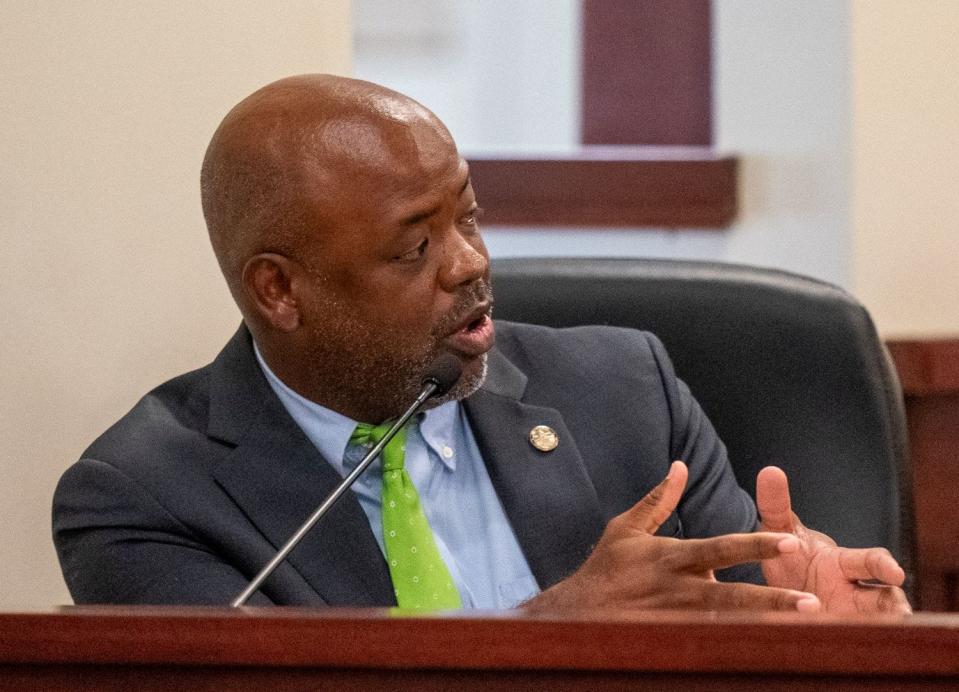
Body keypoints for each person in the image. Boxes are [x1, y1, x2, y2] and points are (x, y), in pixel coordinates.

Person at [53, 74, 909, 614]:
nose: (471, 262)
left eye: (467, 214)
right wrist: (557, 638)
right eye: (414, 245)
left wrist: (820, 636)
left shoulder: (624, 390)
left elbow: (747, 629)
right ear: (279, 289)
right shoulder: (143, 496)